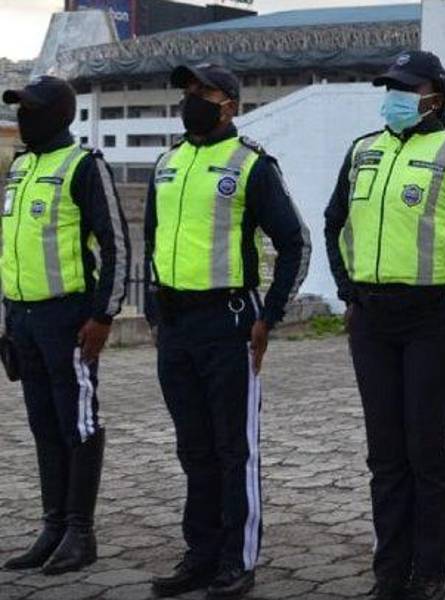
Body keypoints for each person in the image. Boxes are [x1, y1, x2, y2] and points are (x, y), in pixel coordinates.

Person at [323, 50, 445, 600]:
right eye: (390, 87)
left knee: (426, 451)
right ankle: (390, 572)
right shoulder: (362, 151)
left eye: (406, 88)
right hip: (373, 322)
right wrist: (348, 291)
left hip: (434, 320)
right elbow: (334, 221)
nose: (395, 96)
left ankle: (429, 573)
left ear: (436, 95)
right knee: (384, 453)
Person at [145, 63, 311, 599]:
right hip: (175, 327)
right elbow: (152, 240)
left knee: (232, 448)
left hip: (229, 324)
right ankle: (200, 553)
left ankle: (237, 561)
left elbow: (294, 242)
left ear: (230, 104)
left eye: (204, 92)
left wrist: (270, 314)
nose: (192, 98)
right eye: (188, 91)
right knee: (192, 447)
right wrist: (153, 310)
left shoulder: (251, 165)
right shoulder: (166, 162)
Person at [1, 75, 129, 575]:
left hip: (67, 318)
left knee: (77, 423)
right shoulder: (21, 166)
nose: (22, 117)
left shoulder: (84, 165)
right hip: (24, 318)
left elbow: (117, 245)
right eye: (18, 109)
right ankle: (52, 526)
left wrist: (103, 315)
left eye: (30, 109)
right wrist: (9, 317)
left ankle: (80, 531)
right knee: (43, 424)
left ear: (57, 114)